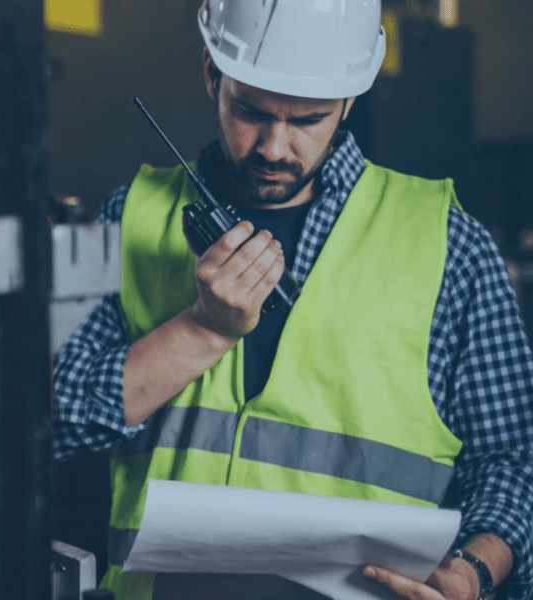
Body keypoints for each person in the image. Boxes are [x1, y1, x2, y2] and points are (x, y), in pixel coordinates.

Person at [51, 1, 533, 599]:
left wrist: (474, 572)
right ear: (211, 72)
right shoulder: (132, 217)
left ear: (350, 100)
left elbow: (511, 463)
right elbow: (57, 423)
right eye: (251, 111)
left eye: (308, 119)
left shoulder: (449, 246)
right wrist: (204, 328)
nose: (275, 147)